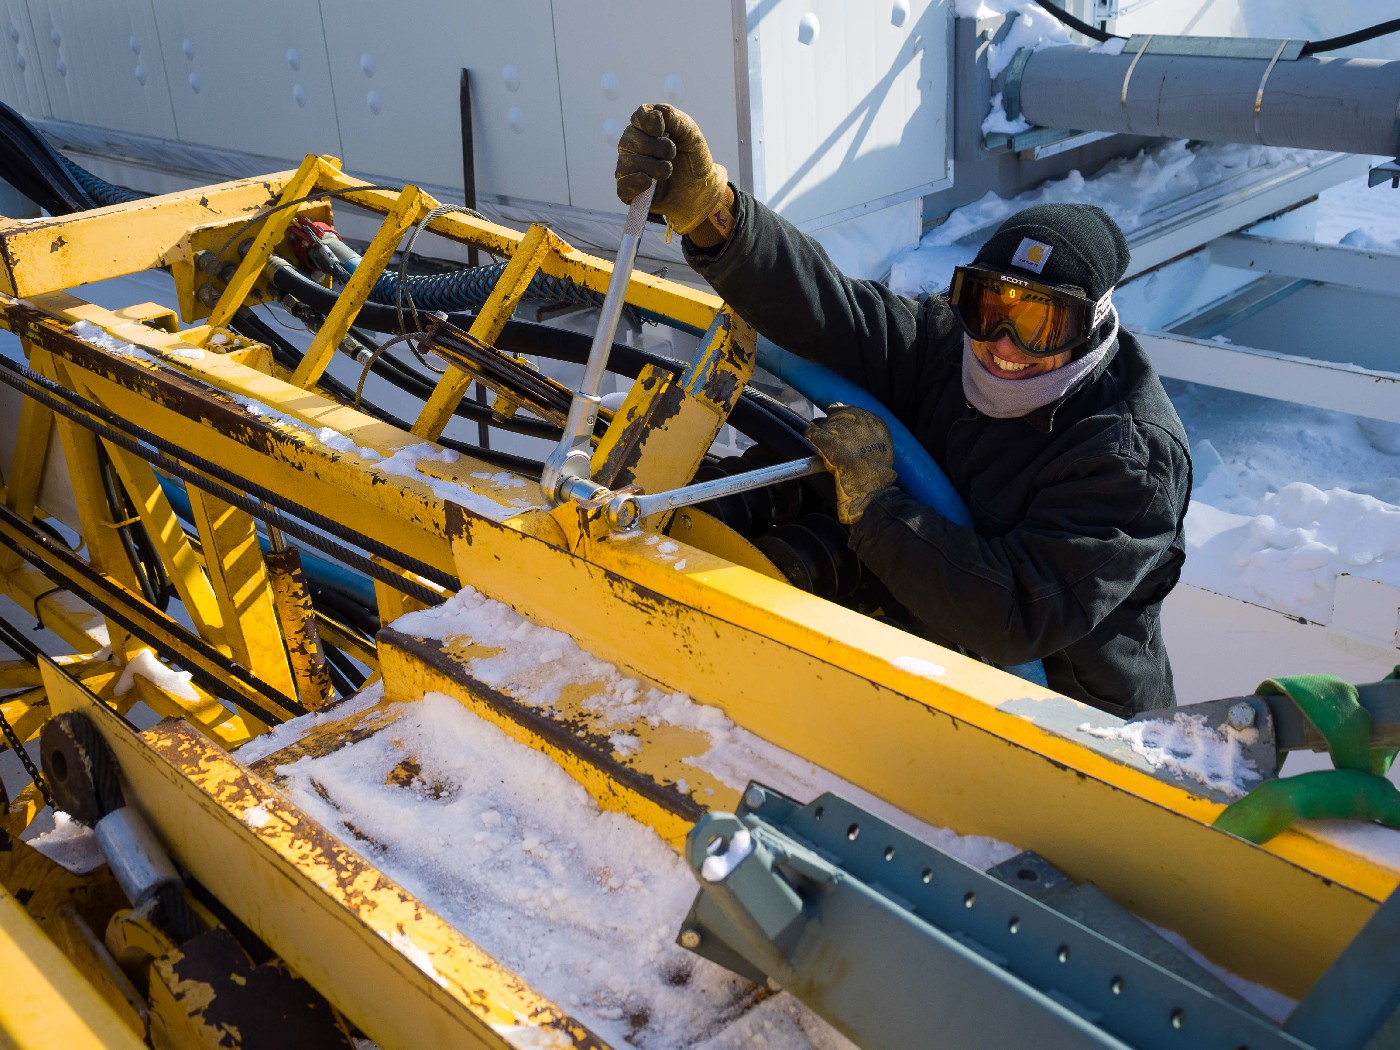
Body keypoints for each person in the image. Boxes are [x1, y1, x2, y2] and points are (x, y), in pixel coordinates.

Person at [615, 104, 1191, 717]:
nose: (1002, 345)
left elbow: (1016, 613)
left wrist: (875, 507)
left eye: (1038, 324)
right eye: (988, 307)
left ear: (1090, 326)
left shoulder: (1127, 459)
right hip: (926, 630)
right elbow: (831, 311)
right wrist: (716, 218)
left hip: (1066, 722)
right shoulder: (945, 343)